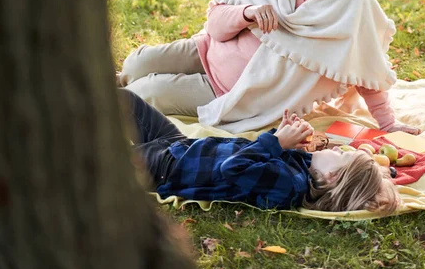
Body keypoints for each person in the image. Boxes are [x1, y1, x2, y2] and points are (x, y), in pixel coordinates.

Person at [118, 0, 421, 135]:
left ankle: (97, 102)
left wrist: (388, 122)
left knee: (146, 92)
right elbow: (215, 25)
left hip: (229, 91)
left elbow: (365, 64)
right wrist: (248, 13)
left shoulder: (351, 0)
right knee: (136, 62)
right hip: (206, 50)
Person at [122, 89, 400, 213]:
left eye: (341, 155)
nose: (338, 148)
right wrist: (286, 139)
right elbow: (257, 153)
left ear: (329, 178)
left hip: (166, 168)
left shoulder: (288, 186)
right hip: (181, 146)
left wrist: (277, 143)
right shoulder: (301, 168)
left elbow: (232, 168)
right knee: (125, 100)